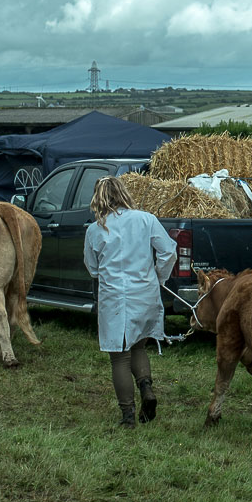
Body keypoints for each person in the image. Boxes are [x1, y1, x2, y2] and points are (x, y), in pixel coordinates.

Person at [82, 175, 176, 429]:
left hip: (115, 297)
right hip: (145, 293)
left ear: (98, 198)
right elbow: (168, 250)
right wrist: (158, 277)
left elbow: (92, 268)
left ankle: (127, 415)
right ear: (124, 192)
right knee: (138, 347)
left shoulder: (95, 230)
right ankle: (147, 389)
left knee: (119, 357)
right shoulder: (146, 219)